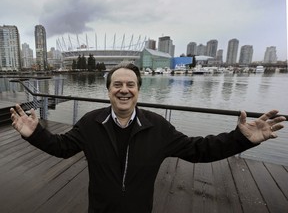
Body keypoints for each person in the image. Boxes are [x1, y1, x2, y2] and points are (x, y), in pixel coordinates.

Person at [10, 63, 286, 213]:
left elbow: (199, 150)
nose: (124, 89)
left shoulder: (158, 127)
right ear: (108, 91)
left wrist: (242, 139)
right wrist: (35, 133)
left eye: (130, 84)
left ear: (138, 91)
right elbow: (62, 147)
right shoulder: (91, 122)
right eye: (117, 84)